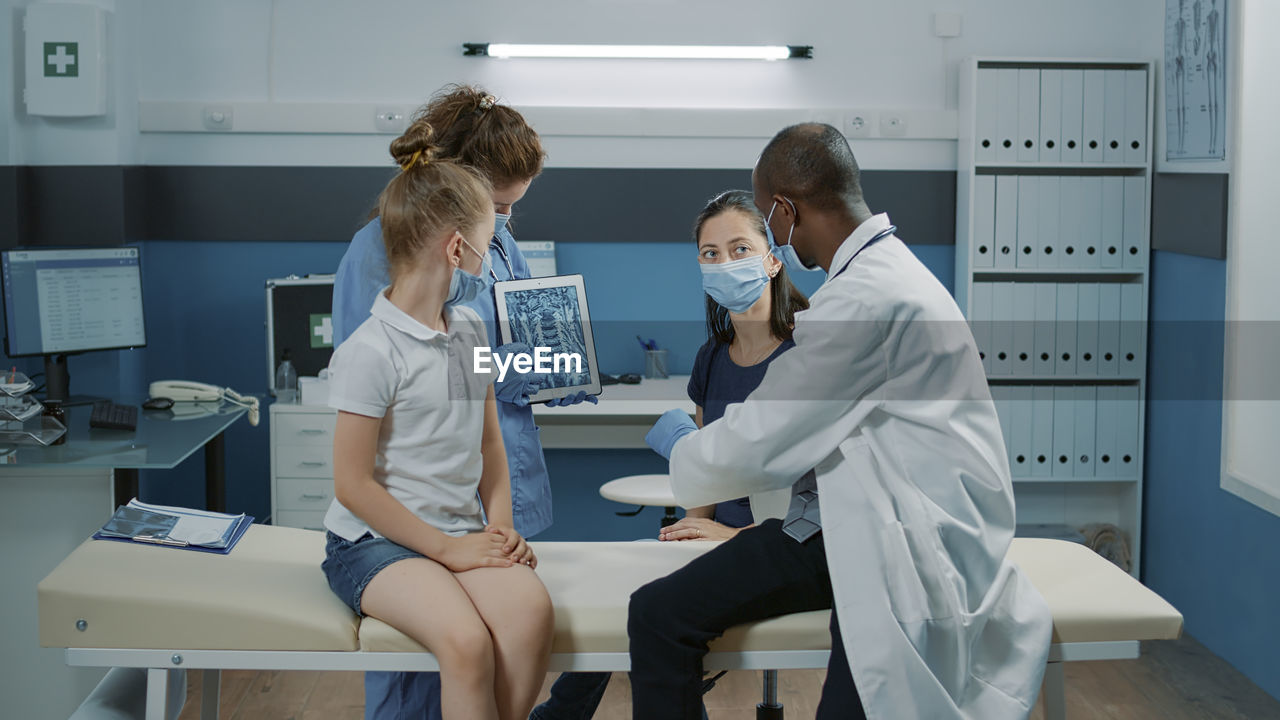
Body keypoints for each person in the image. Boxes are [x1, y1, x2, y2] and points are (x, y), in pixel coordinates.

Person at [632, 123, 1054, 719]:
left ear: (784, 210)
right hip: (857, 526)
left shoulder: (865, 302)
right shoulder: (883, 275)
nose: (775, 240)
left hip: (897, 543)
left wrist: (683, 445)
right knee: (659, 611)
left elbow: (763, 438)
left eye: (764, 225)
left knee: (662, 616)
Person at [330, 85, 599, 720]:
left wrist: (553, 365)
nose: (505, 224)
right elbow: (400, 378)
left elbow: (504, 335)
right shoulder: (378, 252)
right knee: (427, 675)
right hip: (410, 506)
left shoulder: (497, 242)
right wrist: (506, 370)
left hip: (487, 488)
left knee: (514, 638)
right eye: (498, 208)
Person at [659, 189, 809, 543]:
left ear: (773, 260)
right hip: (717, 545)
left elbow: (814, 506)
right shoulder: (711, 358)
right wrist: (689, 532)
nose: (725, 264)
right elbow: (705, 478)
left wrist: (730, 535)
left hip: (777, 546)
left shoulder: (806, 354)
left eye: (740, 249)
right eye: (711, 254)